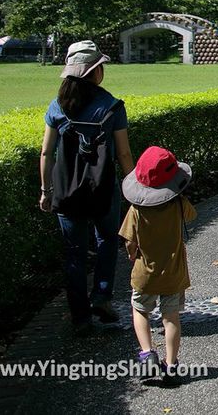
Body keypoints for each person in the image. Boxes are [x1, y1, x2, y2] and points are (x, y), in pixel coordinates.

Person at [39, 40, 135, 335]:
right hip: (103, 189)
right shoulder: (111, 106)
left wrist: (46, 190)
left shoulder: (58, 106)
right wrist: (134, 189)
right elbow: (123, 154)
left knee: (74, 253)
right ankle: (102, 296)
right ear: (96, 71)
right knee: (107, 240)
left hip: (66, 191)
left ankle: (80, 317)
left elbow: (46, 153)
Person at [119, 146, 196, 384]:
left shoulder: (136, 210)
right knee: (170, 317)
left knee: (140, 310)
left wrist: (132, 254)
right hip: (173, 273)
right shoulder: (179, 205)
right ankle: (171, 366)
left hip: (144, 274)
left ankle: (147, 355)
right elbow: (191, 216)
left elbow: (130, 243)